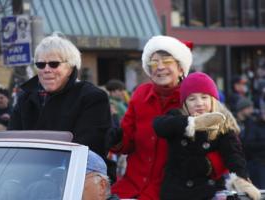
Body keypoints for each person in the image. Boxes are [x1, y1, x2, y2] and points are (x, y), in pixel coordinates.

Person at [109, 36, 226, 200]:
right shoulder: (140, 95)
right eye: (154, 63)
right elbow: (127, 143)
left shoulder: (195, 98)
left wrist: (204, 166)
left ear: (180, 68)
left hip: (176, 192)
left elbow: (226, 146)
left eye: (166, 61)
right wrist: (114, 138)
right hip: (131, 189)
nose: (160, 67)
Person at [8, 34, 111, 168]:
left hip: (75, 176)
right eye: (40, 64)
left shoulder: (92, 98)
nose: (46, 70)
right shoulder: (25, 99)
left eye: (54, 64)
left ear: (70, 68)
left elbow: (89, 149)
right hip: (26, 174)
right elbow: (11, 143)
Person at [153, 72, 260, 200]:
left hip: (208, 191)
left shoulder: (222, 123)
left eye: (204, 97)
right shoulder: (177, 117)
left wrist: (241, 179)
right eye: (192, 99)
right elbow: (159, 126)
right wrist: (191, 123)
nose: (199, 103)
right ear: (185, 103)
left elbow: (233, 155)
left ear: (212, 100)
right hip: (177, 192)